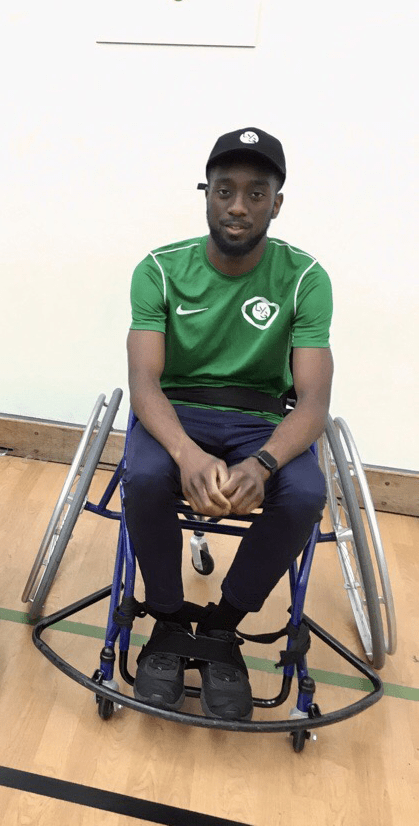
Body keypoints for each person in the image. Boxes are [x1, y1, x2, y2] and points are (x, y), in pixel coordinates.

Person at [123, 127, 333, 721]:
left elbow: (313, 403)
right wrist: (187, 454)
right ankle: (167, 620)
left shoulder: (304, 277)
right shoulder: (160, 270)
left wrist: (264, 462)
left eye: (256, 193)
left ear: (276, 202)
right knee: (143, 476)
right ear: (207, 195)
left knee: (306, 494)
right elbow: (144, 385)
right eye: (225, 191)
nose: (238, 206)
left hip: (260, 420)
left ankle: (220, 628)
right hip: (176, 410)